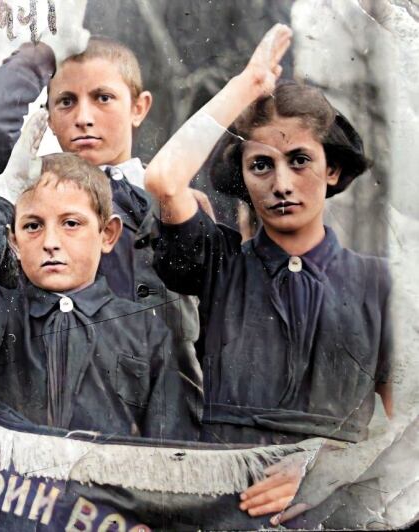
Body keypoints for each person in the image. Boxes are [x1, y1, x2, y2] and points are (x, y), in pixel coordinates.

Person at [144, 24, 392, 523]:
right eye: (261, 165)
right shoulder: (222, 267)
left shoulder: (380, 285)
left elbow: (410, 424)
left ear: (333, 170)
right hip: (226, 512)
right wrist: (248, 86)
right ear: (244, 179)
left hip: (335, 512)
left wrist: (326, 468)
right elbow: (163, 178)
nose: (281, 184)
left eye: (300, 160)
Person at [0, 111, 201, 439]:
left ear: (108, 234)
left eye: (71, 223)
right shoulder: (5, 318)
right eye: (32, 226)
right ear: (14, 241)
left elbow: (168, 445)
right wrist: (3, 195)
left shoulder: (143, 330)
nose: (51, 243)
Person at [0, 0, 201, 372]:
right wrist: (43, 55)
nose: (84, 118)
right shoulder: (32, 191)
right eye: (66, 102)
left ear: (139, 107)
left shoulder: (175, 200)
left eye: (103, 98)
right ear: (50, 117)